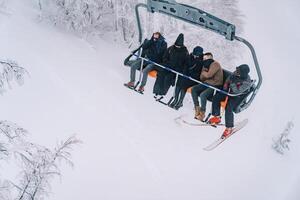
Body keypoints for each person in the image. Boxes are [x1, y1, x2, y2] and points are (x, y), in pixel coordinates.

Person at [208, 64, 252, 138]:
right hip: (229, 91)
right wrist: (225, 86)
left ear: (242, 73)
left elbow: (237, 91)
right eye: (237, 70)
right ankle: (217, 117)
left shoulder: (247, 82)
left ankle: (229, 128)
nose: (236, 72)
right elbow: (229, 79)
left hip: (238, 96)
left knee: (229, 107)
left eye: (239, 71)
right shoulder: (237, 72)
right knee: (216, 97)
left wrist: (232, 83)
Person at [153, 33, 189, 99]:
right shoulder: (171, 48)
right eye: (176, 45)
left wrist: (179, 69)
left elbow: (185, 63)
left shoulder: (185, 52)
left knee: (168, 78)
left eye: (179, 46)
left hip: (176, 70)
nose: (177, 47)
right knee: (160, 75)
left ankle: (162, 93)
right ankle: (156, 91)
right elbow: (165, 56)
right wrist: (166, 62)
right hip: (168, 66)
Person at [192, 52, 223, 121]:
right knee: (194, 89)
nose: (204, 60)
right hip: (207, 83)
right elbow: (202, 78)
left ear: (210, 58)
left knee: (203, 95)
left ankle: (202, 113)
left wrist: (203, 72)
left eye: (206, 58)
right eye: (204, 58)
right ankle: (197, 108)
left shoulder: (215, 64)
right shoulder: (206, 65)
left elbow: (209, 75)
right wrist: (204, 73)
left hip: (215, 85)